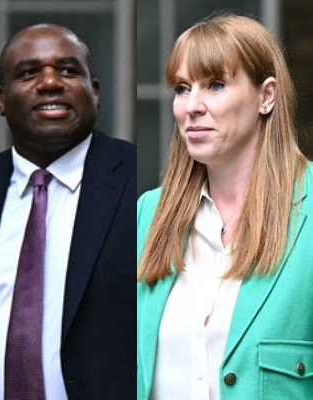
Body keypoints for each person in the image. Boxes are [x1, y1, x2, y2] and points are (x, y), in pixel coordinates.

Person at [137, 14, 313, 400]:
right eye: (182, 89)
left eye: (215, 85)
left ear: (266, 96)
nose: (192, 106)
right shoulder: (146, 215)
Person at [0, 24, 137, 399]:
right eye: (29, 73)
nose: (50, 83)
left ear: (95, 91)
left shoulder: (144, 181)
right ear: (1, 99)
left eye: (68, 70)